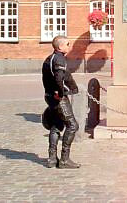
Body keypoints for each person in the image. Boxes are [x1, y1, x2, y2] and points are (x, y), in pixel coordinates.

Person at [42, 35, 81, 169]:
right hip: (58, 97)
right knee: (72, 126)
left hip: (49, 95)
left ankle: (52, 158)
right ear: (60, 47)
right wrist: (60, 92)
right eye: (67, 44)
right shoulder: (59, 59)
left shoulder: (50, 58)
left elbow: (67, 76)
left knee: (56, 124)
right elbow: (59, 78)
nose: (69, 46)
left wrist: (74, 87)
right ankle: (64, 159)